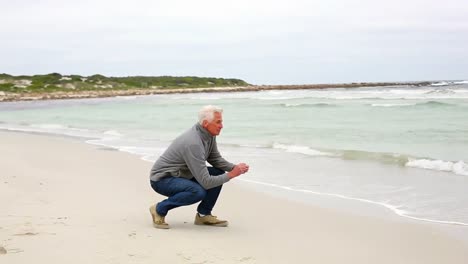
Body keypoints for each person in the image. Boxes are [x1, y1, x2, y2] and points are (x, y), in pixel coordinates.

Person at [149, 105, 249, 229]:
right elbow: (206, 182)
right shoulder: (193, 143)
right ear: (206, 123)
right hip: (162, 179)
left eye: (221, 122)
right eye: (218, 122)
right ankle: (159, 209)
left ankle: (203, 214)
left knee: (217, 172)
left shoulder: (209, 134)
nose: (221, 126)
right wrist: (232, 174)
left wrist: (235, 168)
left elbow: (215, 159)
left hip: (183, 174)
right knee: (197, 192)